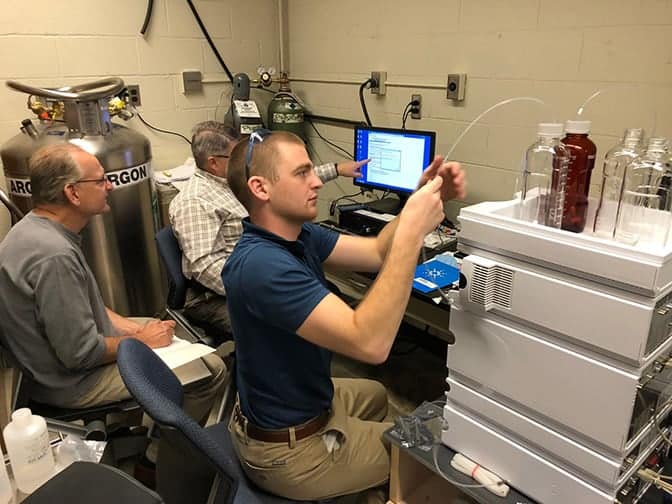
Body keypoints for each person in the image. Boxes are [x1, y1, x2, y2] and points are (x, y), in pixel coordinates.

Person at [223, 130, 465, 502]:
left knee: (375, 394)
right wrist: (414, 232)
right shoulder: (261, 266)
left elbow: (377, 252)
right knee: (425, 459)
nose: (318, 180)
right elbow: (370, 343)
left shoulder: (296, 236)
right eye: (302, 173)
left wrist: (415, 202)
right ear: (260, 188)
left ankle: (357, 474)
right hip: (286, 452)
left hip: (292, 406)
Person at [0, 144, 227, 423]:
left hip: (62, 359)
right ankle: (156, 460)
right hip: (71, 383)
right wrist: (142, 340)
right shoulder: (54, 255)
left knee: (160, 327)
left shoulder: (35, 229)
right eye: (99, 180)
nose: (109, 185)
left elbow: (80, 304)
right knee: (208, 370)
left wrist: (130, 327)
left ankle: (157, 421)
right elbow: (79, 355)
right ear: (72, 193)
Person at [169, 121, 368, 339]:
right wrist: (265, 286)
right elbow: (205, 267)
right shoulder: (194, 201)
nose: (242, 160)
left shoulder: (233, 179)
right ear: (213, 163)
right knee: (285, 329)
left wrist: (337, 169)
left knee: (326, 297)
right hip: (215, 297)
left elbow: (288, 180)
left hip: (266, 268)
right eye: (234, 155)